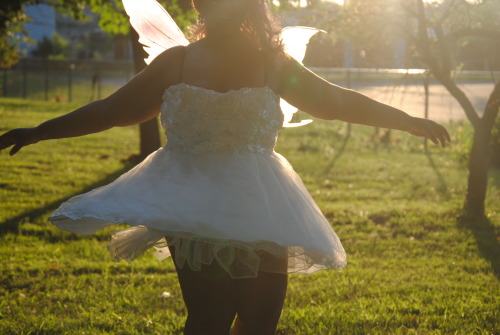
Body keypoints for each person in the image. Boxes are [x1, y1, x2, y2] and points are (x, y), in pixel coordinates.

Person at [0, 0, 451, 334]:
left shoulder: (273, 64)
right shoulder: (176, 62)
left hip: (262, 199)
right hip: (189, 198)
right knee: (210, 317)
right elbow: (112, 110)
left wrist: (405, 120)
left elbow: (334, 101)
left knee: (260, 321)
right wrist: (38, 130)